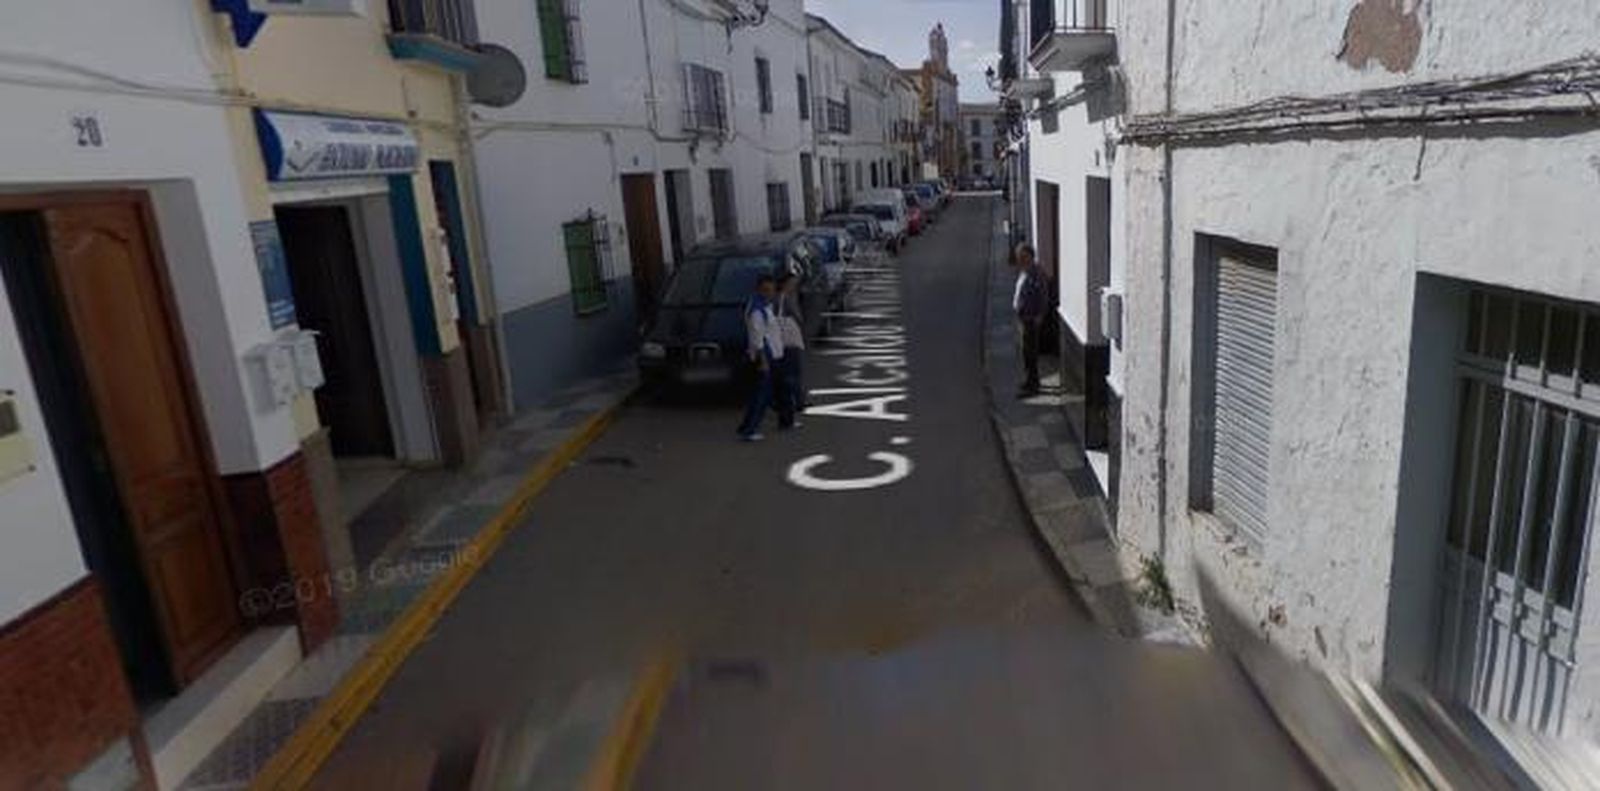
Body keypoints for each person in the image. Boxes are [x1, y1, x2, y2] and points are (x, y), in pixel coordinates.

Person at [737, 274, 794, 441]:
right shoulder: (757, 310)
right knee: (761, 396)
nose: (769, 293)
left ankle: (786, 421)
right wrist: (763, 362)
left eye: (771, 289)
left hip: (776, 354)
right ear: (759, 290)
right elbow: (758, 339)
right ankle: (748, 430)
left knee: (782, 390)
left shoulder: (765, 306)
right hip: (766, 358)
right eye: (766, 290)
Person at [1012, 243, 1048, 398]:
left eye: (1023, 257)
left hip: (1031, 319)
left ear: (1031, 257)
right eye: (1019, 257)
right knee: (1025, 352)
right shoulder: (1025, 271)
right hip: (1024, 318)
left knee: (1030, 352)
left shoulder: (1036, 273)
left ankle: (1032, 385)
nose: (1020, 260)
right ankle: (1030, 381)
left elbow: (1043, 295)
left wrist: (1040, 314)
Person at [774, 271, 808, 420]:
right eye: (792, 282)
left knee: (788, 372)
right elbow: (797, 315)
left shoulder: (776, 298)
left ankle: (794, 401)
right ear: (785, 283)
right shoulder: (786, 298)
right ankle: (796, 401)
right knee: (794, 371)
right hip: (789, 340)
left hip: (779, 339)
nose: (795, 285)